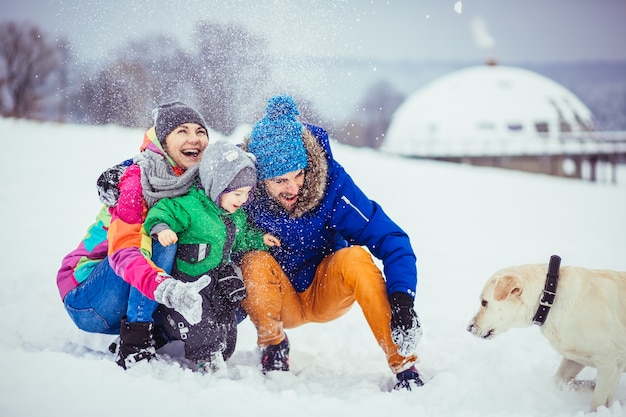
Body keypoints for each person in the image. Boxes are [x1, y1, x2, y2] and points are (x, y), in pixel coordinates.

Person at [239, 95, 424, 390]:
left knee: (355, 258)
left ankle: (403, 362)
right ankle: (273, 345)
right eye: (280, 181)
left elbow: (389, 236)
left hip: (325, 290)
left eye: (299, 175)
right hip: (275, 297)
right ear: (260, 179)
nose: (293, 188)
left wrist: (403, 298)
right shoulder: (239, 187)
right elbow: (200, 224)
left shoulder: (331, 185)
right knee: (252, 260)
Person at [56, 101, 217, 370]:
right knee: (160, 233)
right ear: (163, 141)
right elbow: (124, 252)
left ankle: (164, 332)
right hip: (88, 296)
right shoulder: (136, 180)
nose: (194, 138)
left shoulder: (199, 181)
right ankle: (136, 340)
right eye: (182, 131)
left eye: (201, 131)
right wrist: (164, 287)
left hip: (138, 289)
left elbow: (239, 167)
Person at [143, 141, 280, 373]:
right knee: (200, 322)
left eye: (247, 193)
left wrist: (258, 240)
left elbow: (242, 236)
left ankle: (221, 351)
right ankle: (206, 360)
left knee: (226, 319)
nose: (243, 199)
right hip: (190, 280)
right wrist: (162, 227)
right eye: (237, 193)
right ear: (218, 186)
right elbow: (164, 210)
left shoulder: (235, 215)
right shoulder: (191, 207)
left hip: (218, 280)